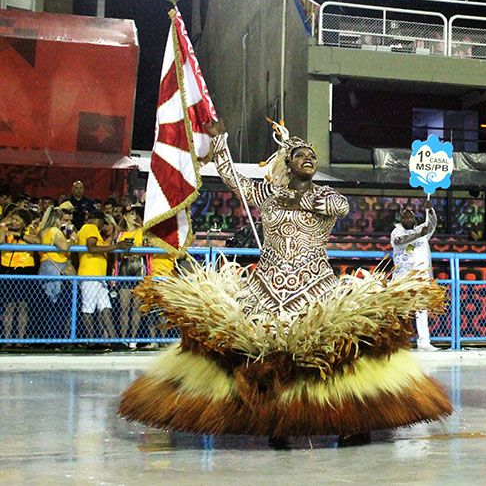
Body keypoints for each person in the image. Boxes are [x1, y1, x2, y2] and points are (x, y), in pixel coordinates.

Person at [119, 119, 452, 443]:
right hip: (266, 287)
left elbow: (339, 206)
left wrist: (286, 196)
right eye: (300, 155)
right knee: (264, 355)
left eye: (312, 156)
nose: (309, 159)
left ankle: (350, 419)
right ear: (287, 163)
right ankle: (274, 421)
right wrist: (219, 144)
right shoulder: (266, 193)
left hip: (316, 285)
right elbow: (232, 177)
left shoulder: (327, 196)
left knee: (328, 353)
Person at [76, 210, 133, 341]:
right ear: (98, 220)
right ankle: (91, 341)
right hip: (90, 273)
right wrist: (116, 246)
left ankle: (113, 340)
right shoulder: (90, 227)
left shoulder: (87, 229)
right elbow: (92, 248)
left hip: (98, 275)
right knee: (88, 307)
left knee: (105, 306)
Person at [391, 200, 439, 351]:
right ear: (400, 220)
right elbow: (400, 241)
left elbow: (431, 225)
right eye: (404, 217)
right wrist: (418, 234)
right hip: (403, 278)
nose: (407, 220)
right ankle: (399, 343)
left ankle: (424, 342)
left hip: (421, 277)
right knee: (401, 310)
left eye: (410, 217)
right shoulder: (397, 232)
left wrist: (430, 210)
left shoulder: (422, 232)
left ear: (414, 219)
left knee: (421, 309)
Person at [0, 208, 40, 343]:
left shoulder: (29, 230)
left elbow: (37, 242)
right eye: (12, 219)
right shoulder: (4, 229)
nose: (14, 222)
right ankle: (7, 339)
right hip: (7, 269)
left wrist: (20, 236)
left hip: (25, 269)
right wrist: (4, 227)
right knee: (8, 306)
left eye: (17, 220)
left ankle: (20, 339)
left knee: (23, 306)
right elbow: (0, 241)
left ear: (24, 222)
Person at [36, 206, 76, 336]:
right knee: (56, 304)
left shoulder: (43, 231)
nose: (67, 223)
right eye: (64, 220)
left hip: (46, 266)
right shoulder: (54, 231)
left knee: (49, 305)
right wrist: (72, 239)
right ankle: (54, 337)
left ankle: (49, 336)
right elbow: (64, 247)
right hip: (55, 267)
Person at [114, 205, 145, 348]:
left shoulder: (142, 231)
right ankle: (123, 337)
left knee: (137, 306)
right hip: (125, 266)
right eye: (131, 214)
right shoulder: (120, 234)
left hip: (138, 265)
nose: (134, 216)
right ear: (125, 217)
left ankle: (133, 338)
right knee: (124, 306)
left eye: (135, 214)